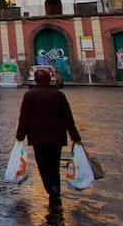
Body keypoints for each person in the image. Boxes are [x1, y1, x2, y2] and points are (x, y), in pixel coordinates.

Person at [16, 68, 82, 208]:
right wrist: (75, 137)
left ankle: (51, 188)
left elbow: (24, 118)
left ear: (35, 80)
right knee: (54, 163)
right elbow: (68, 118)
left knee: (43, 164)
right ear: (49, 79)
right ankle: (55, 187)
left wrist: (20, 136)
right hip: (56, 136)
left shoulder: (29, 95)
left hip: (38, 138)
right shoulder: (58, 95)